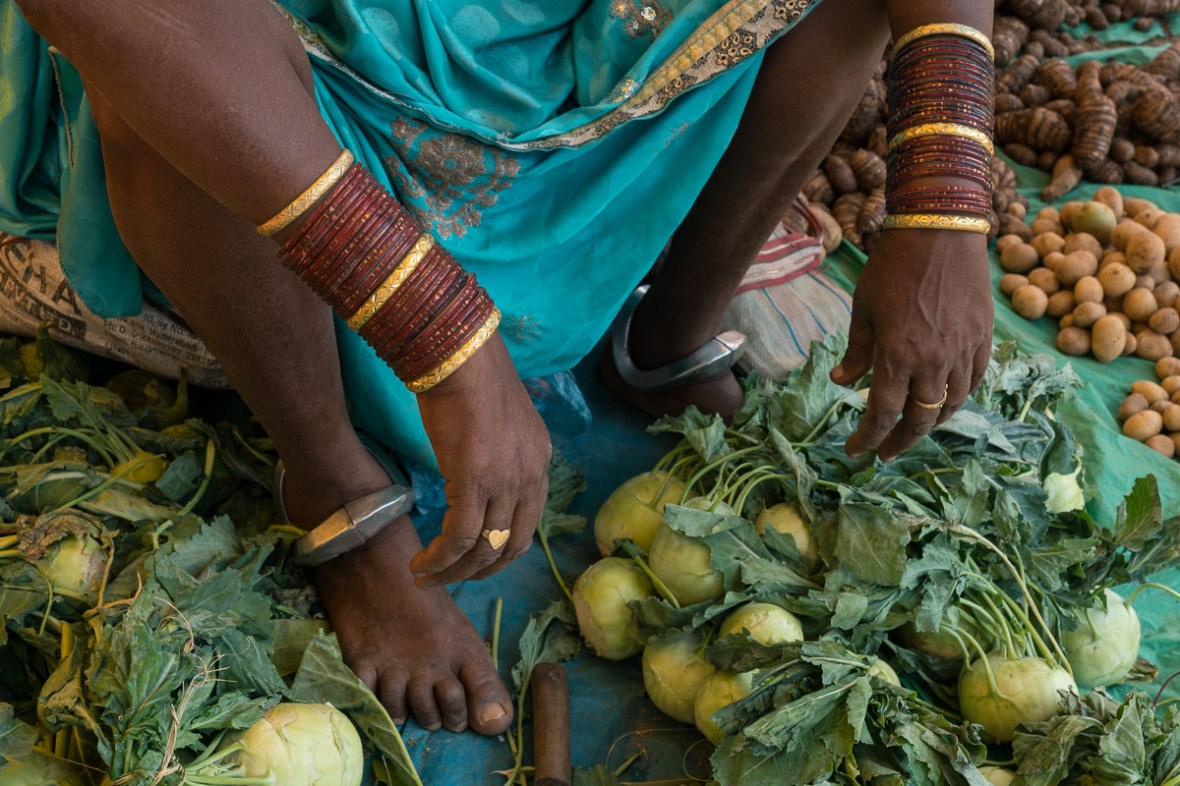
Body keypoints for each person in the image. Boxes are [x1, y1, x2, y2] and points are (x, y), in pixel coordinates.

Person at [3, 0, 994, 736]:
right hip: (294, 85)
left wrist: (948, 194)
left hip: (580, 49)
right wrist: (441, 332)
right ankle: (333, 479)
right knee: (159, 64)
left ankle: (664, 334)